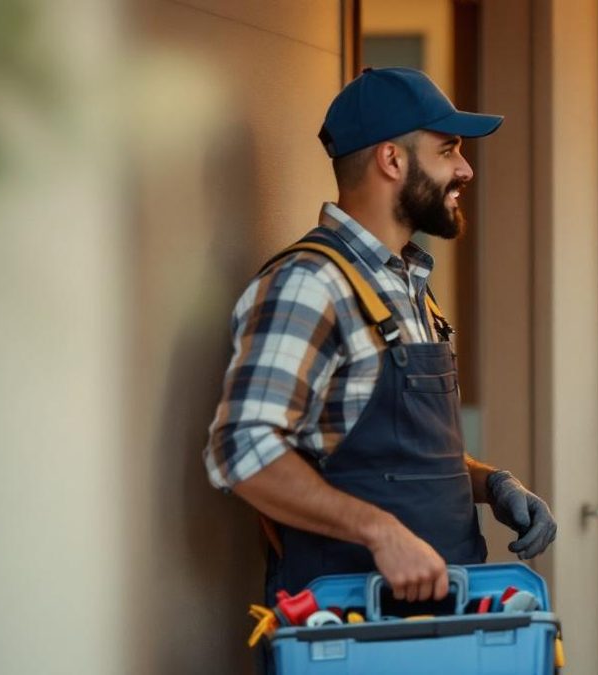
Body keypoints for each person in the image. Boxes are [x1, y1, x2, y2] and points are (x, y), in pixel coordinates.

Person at [203, 67, 557, 617]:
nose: (465, 169)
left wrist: (491, 484)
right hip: (350, 631)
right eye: (448, 150)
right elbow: (241, 450)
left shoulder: (407, 286)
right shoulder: (309, 283)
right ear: (392, 160)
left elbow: (394, 458)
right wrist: (379, 532)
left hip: (439, 623)